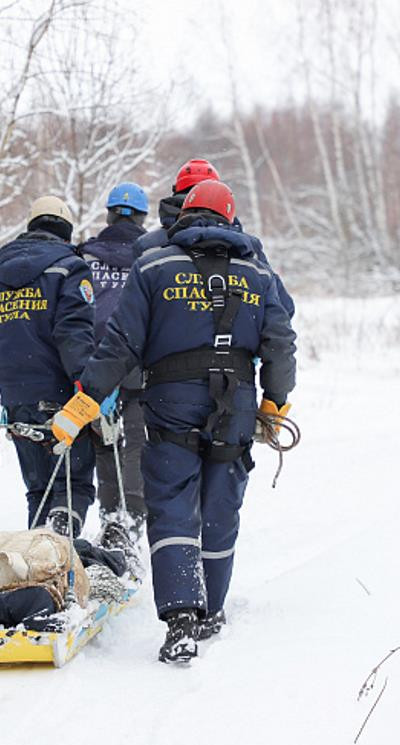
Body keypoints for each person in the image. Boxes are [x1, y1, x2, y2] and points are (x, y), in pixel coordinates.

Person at [48, 180, 296, 665]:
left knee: (172, 506)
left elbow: (120, 342)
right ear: (229, 219)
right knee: (221, 508)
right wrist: (275, 402)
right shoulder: (256, 274)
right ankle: (212, 611)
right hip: (237, 404)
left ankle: (181, 616)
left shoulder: (154, 266)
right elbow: (281, 342)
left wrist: (84, 403)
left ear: (182, 219)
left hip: (170, 403)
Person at [0, 196, 97, 536]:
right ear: (67, 233)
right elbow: (73, 331)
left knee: (39, 491)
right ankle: (57, 547)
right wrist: (89, 385)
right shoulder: (70, 268)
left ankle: (37, 569)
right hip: (60, 396)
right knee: (75, 485)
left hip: (15, 399)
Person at [77, 181, 150, 551]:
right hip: (138, 363)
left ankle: (110, 523)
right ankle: (131, 528)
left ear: (109, 215)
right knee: (135, 444)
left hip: (95, 366)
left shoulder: (85, 256)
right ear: (142, 217)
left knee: (105, 444)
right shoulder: (151, 257)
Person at [135, 159, 295, 317]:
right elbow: (283, 308)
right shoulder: (247, 247)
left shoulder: (148, 245)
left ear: (176, 191)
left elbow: (130, 311)